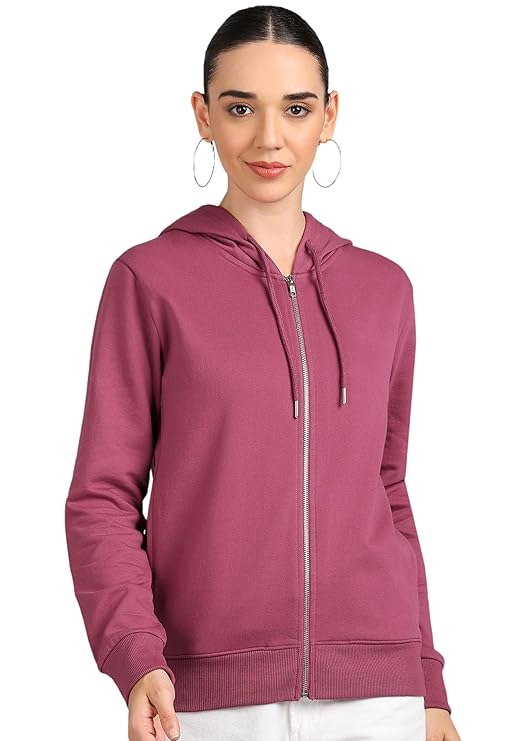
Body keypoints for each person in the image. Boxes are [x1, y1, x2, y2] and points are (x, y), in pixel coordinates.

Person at [64, 5, 461, 741]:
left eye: (296, 108)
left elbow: (387, 490)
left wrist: (428, 682)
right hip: (204, 699)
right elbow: (102, 497)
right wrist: (134, 655)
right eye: (240, 107)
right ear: (203, 115)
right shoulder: (148, 279)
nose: (269, 138)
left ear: (329, 115)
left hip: (380, 697)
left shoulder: (384, 290)